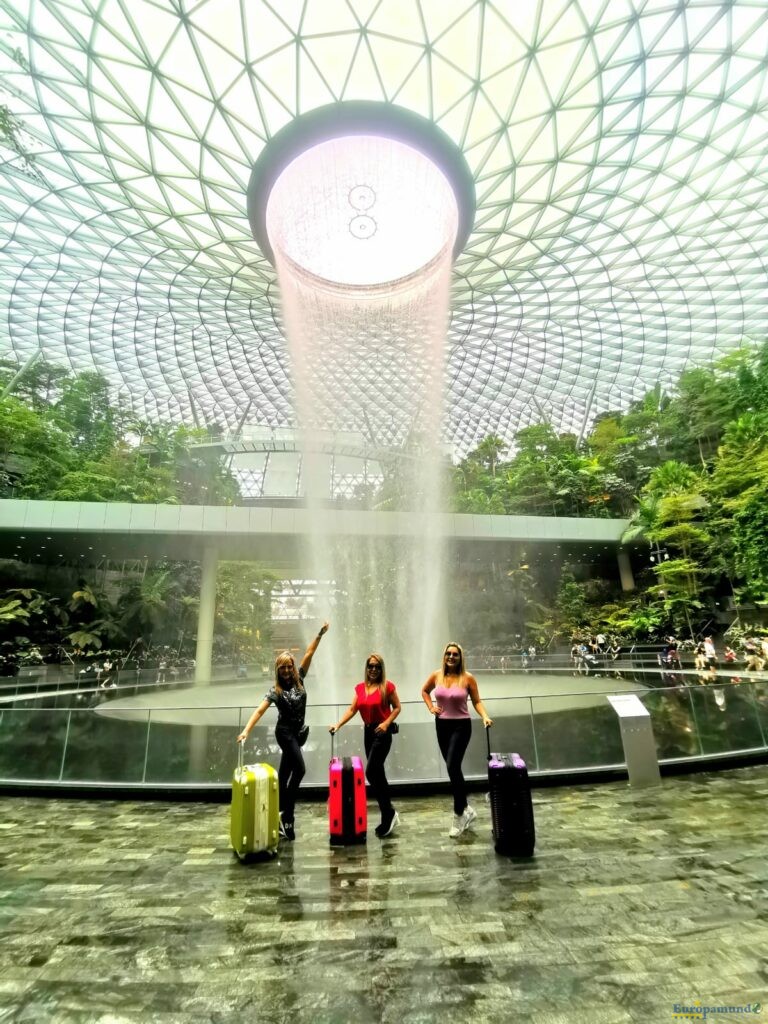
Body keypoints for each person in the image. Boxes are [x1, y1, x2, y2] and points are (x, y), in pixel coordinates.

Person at [237, 623, 329, 841]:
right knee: (301, 769)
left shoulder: (300, 679)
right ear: (277, 670)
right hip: (285, 734)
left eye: (289, 666)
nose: (286, 671)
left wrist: (319, 634)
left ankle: (276, 815)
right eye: (282, 668)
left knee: (284, 775)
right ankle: (288, 816)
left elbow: (309, 652)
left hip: (297, 734)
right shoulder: (275, 691)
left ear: (293, 667)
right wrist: (246, 731)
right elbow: (260, 711)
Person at [421, 642, 493, 838]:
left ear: (461, 658)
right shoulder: (437, 675)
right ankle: (467, 809)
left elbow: (477, 701)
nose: (451, 657)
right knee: (454, 769)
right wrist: (431, 708)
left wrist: (485, 716)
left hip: (461, 726)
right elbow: (424, 691)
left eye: (455, 654)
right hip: (441, 725)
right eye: (448, 654)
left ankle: (458, 815)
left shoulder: (467, 678)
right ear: (444, 656)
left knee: (452, 766)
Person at [329, 653, 401, 838]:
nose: (373, 669)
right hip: (368, 733)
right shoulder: (360, 688)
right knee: (379, 773)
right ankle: (388, 814)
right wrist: (338, 724)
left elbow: (398, 707)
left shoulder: (387, 687)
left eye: (377, 666)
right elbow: (353, 709)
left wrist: (385, 724)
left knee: (371, 772)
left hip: (382, 733)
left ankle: (389, 812)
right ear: (366, 668)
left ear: (381, 669)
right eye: (370, 666)